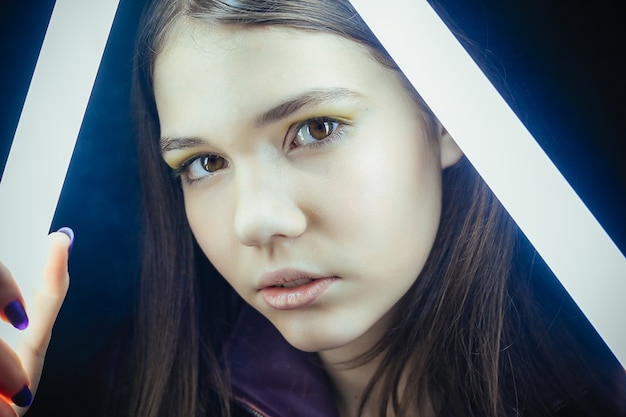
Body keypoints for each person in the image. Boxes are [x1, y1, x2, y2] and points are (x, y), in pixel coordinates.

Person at [1, 0, 625, 416]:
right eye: (204, 164)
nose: (255, 221)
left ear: (443, 119)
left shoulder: (601, 371)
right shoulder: (128, 395)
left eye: (317, 129)